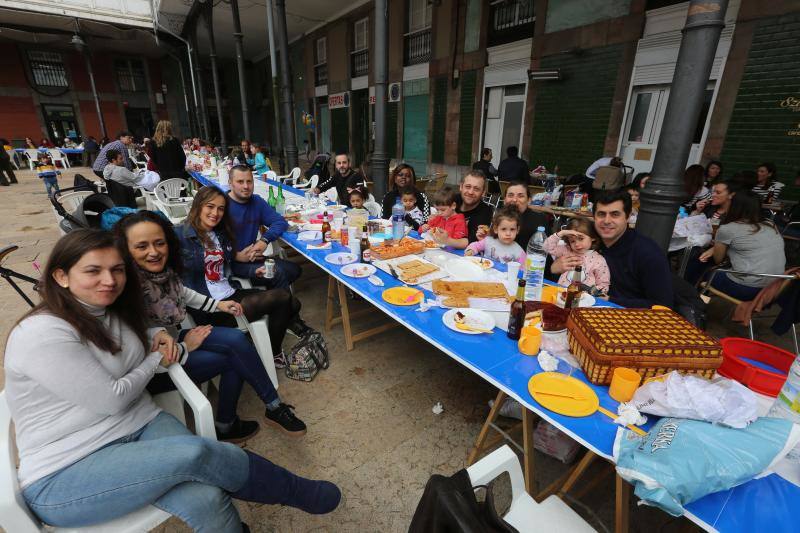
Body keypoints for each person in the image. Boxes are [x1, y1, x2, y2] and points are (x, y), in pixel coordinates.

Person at [4, 229, 340, 531]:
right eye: (93, 270)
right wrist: (155, 357)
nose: (109, 279)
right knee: (197, 452)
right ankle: (294, 490)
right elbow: (112, 398)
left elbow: (138, 335)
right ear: (61, 276)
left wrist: (155, 334)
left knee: (207, 497)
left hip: (139, 424)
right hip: (66, 470)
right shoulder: (42, 332)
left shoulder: (112, 309)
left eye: (117, 270)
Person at [115, 210, 306, 439]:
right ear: (125, 250)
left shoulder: (161, 273)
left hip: (175, 341)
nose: (153, 252)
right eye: (141, 246)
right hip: (155, 368)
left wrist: (219, 306)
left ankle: (272, 408)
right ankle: (230, 424)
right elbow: (138, 351)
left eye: (159, 243)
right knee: (235, 358)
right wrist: (187, 346)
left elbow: (184, 293)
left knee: (236, 339)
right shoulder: (123, 289)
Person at [176, 186, 313, 368]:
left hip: (230, 293)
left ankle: (269, 348)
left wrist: (253, 272)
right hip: (210, 307)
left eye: (221, 208)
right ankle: (273, 354)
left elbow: (230, 263)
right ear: (198, 206)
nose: (215, 213)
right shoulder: (179, 235)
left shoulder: (219, 234)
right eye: (210, 206)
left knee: (293, 304)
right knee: (283, 298)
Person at [552, 190, 672, 308]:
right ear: (593, 217)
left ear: (628, 216)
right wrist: (554, 268)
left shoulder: (647, 253)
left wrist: (610, 300)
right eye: (601, 214)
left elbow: (662, 305)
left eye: (615, 214)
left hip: (627, 318)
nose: (607, 221)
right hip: (578, 307)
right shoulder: (588, 242)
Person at [698, 190, 786, 301]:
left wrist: (715, 248)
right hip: (776, 289)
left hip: (749, 289)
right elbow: (752, 245)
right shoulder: (770, 224)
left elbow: (718, 260)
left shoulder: (728, 229)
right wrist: (715, 248)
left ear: (735, 207)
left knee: (706, 271)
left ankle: (696, 307)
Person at [226, 165, 301, 291]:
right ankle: (282, 306)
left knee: (294, 270)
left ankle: (269, 299)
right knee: (277, 274)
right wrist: (235, 255)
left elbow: (280, 221)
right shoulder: (222, 205)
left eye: (249, 181)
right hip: (230, 263)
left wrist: (264, 240)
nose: (246, 186)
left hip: (253, 258)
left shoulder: (256, 201)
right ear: (230, 183)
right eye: (240, 182)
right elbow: (208, 241)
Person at [542, 218, 610, 292]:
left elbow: (603, 285)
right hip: (561, 293)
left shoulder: (598, 260)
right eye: (572, 241)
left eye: (581, 239)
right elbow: (546, 248)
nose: (577, 244)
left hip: (584, 299)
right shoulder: (566, 250)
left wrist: (593, 294)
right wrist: (561, 233)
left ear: (592, 237)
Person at [493, 181, 549, 248]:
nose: (514, 199)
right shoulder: (499, 217)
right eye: (510, 195)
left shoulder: (540, 220)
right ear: (504, 200)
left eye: (520, 196)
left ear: (529, 200)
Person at [456, 170, 494, 243]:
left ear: (483, 193)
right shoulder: (453, 200)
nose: (470, 192)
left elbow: (473, 240)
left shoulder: (485, 211)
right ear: (461, 187)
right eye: (468, 186)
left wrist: (447, 240)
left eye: (476, 189)